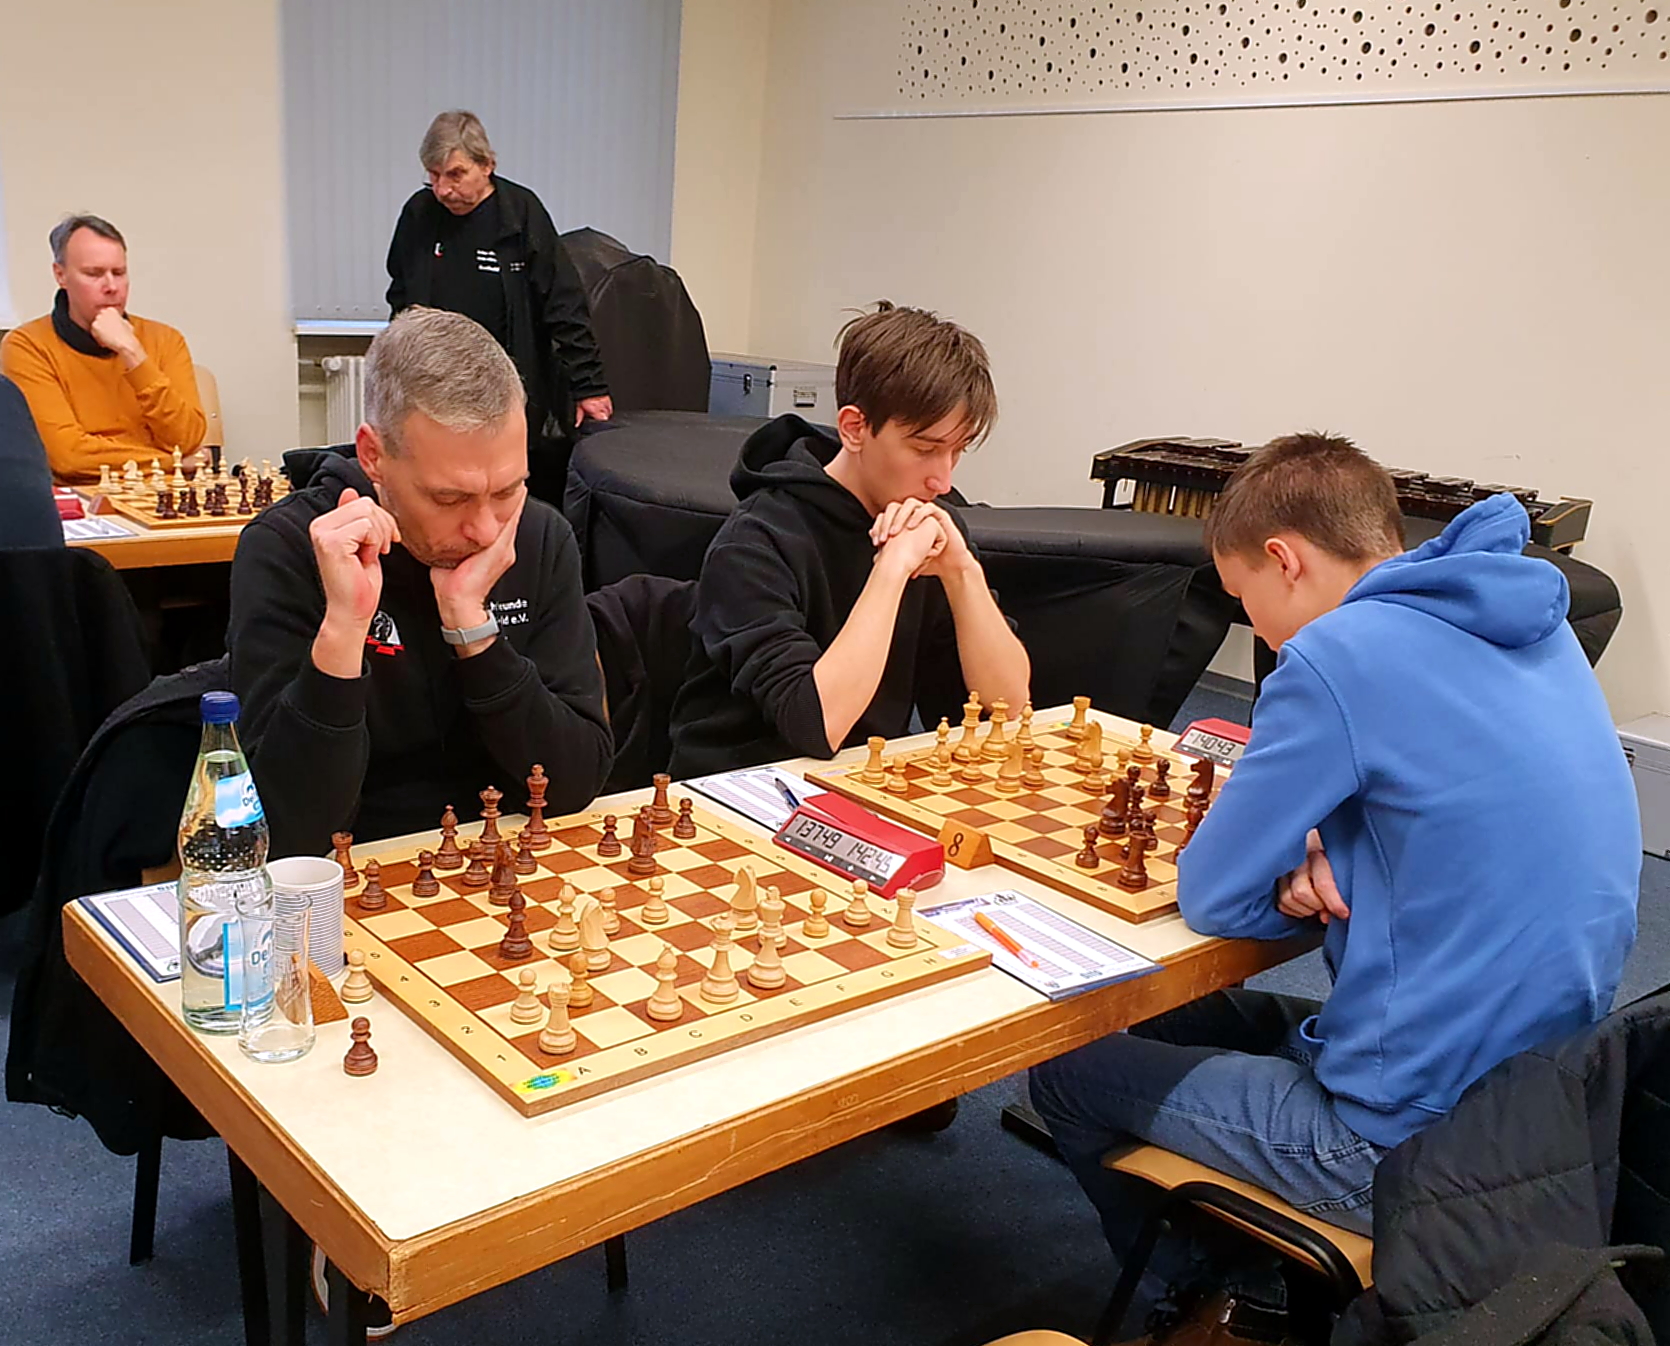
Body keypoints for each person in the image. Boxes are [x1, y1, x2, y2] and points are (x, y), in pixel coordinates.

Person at [1029, 434, 1640, 1342]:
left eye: (1246, 604)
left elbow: (1212, 895)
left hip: (1404, 1142)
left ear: (1285, 560)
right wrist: (1332, 845)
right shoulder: (1528, 623)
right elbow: (1448, 808)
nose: (1259, 636)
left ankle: (1223, 1305)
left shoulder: (1337, 655)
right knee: (1155, 1017)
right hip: (1540, 1110)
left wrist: (1288, 873)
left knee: (1064, 1070)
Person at [226, 307, 612, 858]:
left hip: (505, 859)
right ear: (373, 457)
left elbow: (575, 783)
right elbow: (287, 836)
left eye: (507, 491)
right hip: (355, 871)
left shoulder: (542, 537)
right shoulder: (287, 548)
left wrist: (474, 632)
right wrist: (344, 630)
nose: (485, 530)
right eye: (450, 498)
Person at [668, 302, 1030, 778]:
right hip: (740, 788)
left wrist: (963, 574)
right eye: (924, 449)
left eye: (956, 451)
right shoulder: (754, 542)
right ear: (855, 429)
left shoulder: (932, 527)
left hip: (863, 780)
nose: (942, 480)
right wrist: (892, 569)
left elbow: (1007, 710)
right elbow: (816, 727)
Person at [385, 110, 611, 506]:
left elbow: (563, 304)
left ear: (487, 164)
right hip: (435, 391)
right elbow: (400, 299)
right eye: (433, 176)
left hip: (511, 390)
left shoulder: (520, 214)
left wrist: (588, 385)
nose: (443, 190)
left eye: (455, 175)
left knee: (505, 495)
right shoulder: (419, 215)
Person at [1, 214, 204, 484]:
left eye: (118, 273)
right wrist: (172, 463)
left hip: (164, 495)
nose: (111, 287)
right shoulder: (26, 345)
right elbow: (68, 456)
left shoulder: (165, 339)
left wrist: (133, 354)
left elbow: (187, 440)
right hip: (83, 497)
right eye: (94, 274)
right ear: (60, 275)